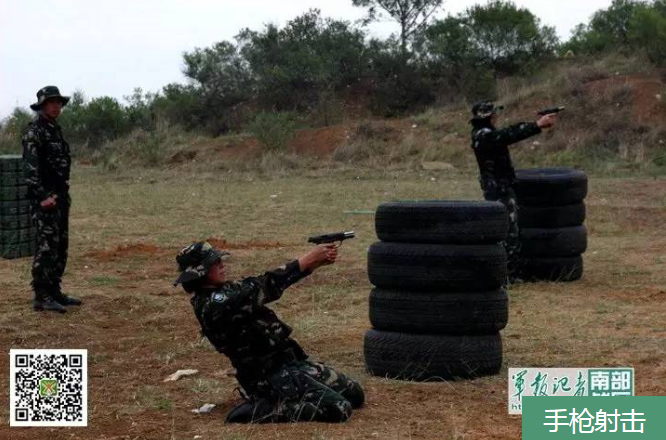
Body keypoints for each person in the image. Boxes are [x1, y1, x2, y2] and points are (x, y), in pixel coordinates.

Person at [174, 241, 364, 423]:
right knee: (339, 407)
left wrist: (312, 265)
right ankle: (261, 409)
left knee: (354, 393)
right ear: (200, 271)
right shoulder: (217, 304)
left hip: (287, 365)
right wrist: (308, 260)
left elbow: (263, 284)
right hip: (266, 376)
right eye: (214, 263)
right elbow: (266, 285)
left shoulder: (224, 291)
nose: (222, 266)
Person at [470, 101, 557, 280]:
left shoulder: (486, 133)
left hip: (502, 187)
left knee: (511, 230)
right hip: (497, 189)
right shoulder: (483, 135)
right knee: (507, 231)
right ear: (488, 117)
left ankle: (511, 273)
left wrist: (536, 123)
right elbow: (509, 135)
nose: (496, 116)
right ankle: (507, 275)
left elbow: (509, 131)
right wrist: (536, 125)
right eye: (494, 114)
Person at [22, 86, 82, 313]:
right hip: (45, 200)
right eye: (51, 102)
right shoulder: (34, 132)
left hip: (60, 198)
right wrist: (42, 197)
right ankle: (41, 296)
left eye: (58, 102)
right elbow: (30, 170)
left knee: (60, 247)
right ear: (42, 105)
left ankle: (55, 290)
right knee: (46, 248)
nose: (56, 106)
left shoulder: (55, 130)